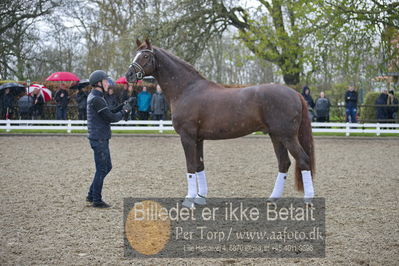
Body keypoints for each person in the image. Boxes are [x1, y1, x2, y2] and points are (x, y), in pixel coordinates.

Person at [86, 70, 132, 208]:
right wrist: (124, 112)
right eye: (105, 81)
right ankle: (97, 200)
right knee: (102, 168)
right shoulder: (96, 99)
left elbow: (109, 110)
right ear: (98, 83)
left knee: (106, 167)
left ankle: (91, 194)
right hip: (99, 138)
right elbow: (110, 117)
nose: (108, 83)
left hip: (100, 137)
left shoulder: (97, 96)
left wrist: (123, 105)